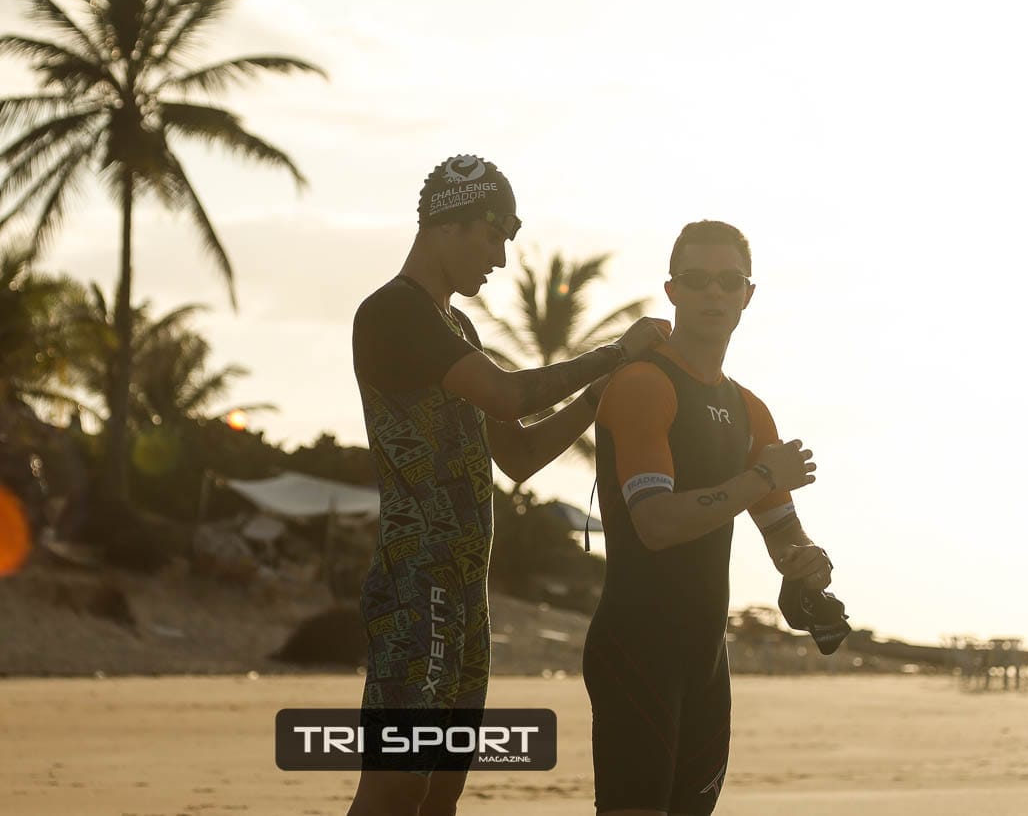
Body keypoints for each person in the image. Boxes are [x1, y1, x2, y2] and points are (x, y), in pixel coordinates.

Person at [345, 155, 669, 816]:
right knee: (397, 785)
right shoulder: (391, 312)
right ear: (449, 224)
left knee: (442, 790)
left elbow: (517, 453)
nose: (499, 257)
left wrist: (596, 398)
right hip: (415, 587)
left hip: (468, 597)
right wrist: (615, 352)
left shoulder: (457, 328)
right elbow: (507, 394)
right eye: (493, 236)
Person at [584, 220, 833, 815]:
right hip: (636, 650)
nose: (714, 293)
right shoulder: (644, 384)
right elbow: (657, 524)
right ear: (672, 290)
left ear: (749, 294)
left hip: (705, 660)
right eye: (697, 280)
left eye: (729, 281)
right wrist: (762, 476)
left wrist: (806, 564)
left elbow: (782, 531)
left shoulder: (749, 409)